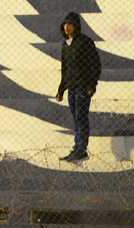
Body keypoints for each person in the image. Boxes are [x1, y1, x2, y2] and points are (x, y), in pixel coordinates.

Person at [55, 12, 101, 163]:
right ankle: (77, 147)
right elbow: (65, 69)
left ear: (76, 26)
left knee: (81, 118)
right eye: (65, 24)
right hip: (72, 88)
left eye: (70, 24)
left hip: (83, 87)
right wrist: (61, 89)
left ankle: (82, 149)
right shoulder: (65, 45)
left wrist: (92, 85)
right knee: (76, 118)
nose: (67, 27)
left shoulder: (85, 42)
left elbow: (95, 64)